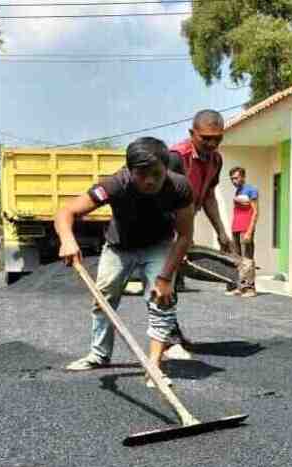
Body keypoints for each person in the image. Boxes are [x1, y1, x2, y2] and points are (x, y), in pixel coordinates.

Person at [56, 137, 194, 388]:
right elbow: (67, 212)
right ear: (130, 171)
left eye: (156, 174)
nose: (149, 181)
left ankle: (154, 368)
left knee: (162, 300)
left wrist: (165, 278)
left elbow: (185, 236)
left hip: (158, 245)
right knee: (103, 298)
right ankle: (99, 355)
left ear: (166, 169)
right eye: (141, 174)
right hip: (119, 247)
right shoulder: (115, 184)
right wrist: (67, 240)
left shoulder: (180, 187)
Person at [162, 109, 232, 357]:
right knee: (164, 279)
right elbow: (167, 201)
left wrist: (221, 231)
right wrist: (181, 238)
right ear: (192, 133)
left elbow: (209, 196)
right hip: (163, 223)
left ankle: (170, 332)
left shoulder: (216, 160)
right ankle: (168, 339)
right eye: (206, 138)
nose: (212, 144)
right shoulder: (175, 157)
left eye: (217, 138)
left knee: (172, 280)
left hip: (183, 223)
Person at [226, 166, 258, 298]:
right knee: (238, 259)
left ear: (243, 177)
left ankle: (250, 289)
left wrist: (250, 231)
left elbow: (255, 212)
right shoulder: (237, 192)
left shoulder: (251, 190)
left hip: (246, 228)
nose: (234, 181)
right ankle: (241, 287)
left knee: (248, 259)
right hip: (236, 228)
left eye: (236, 178)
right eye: (232, 179)